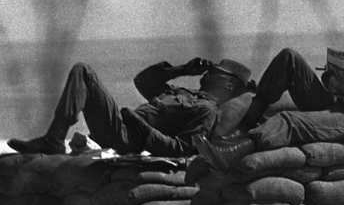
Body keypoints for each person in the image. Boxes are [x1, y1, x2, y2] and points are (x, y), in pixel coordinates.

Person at [201, 32, 344, 164]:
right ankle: (243, 127)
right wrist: (333, 79)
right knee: (289, 57)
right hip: (338, 104)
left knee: (290, 120)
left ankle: (235, 150)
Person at [8, 57, 254, 157]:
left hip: (127, 138)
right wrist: (181, 70)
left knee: (84, 72)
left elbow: (182, 149)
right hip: (121, 127)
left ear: (229, 87)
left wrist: (140, 126)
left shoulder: (206, 111)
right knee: (82, 71)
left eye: (215, 73)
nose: (207, 74)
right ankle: (53, 138)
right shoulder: (185, 95)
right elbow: (143, 81)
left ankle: (53, 140)